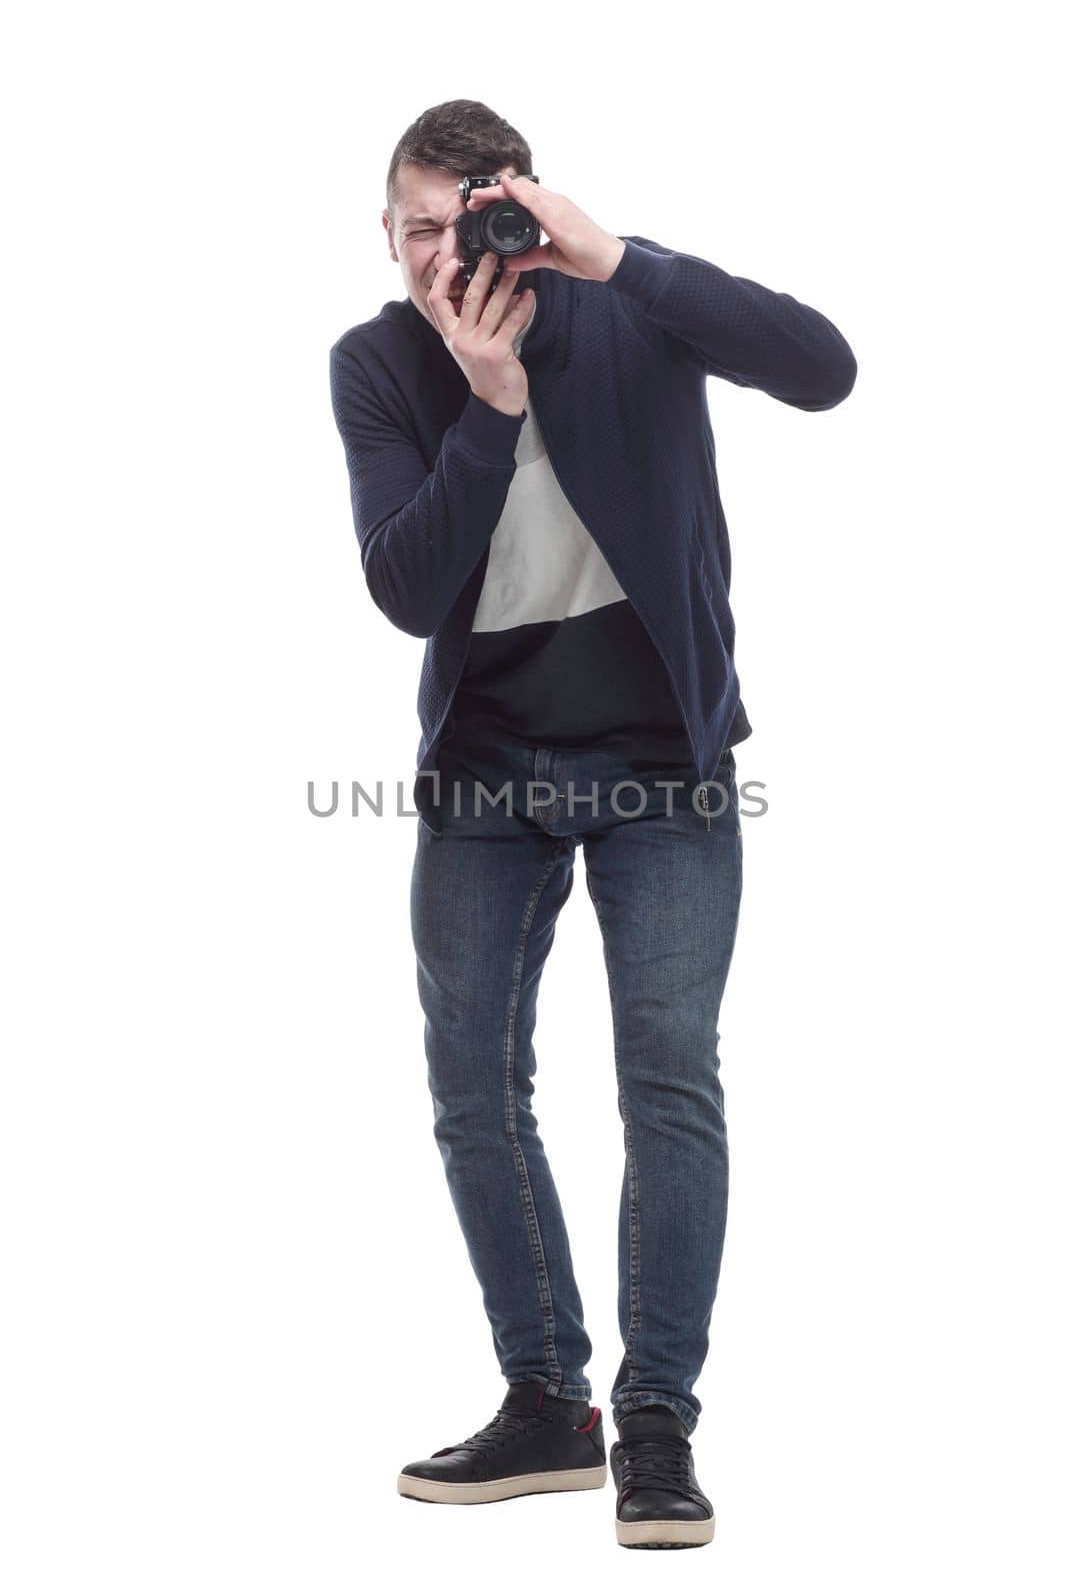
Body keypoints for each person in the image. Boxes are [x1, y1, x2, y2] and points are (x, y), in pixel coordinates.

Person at [329, 99, 856, 1550]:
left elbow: (827, 370)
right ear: (388, 239)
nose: (451, 259)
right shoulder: (379, 362)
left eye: (474, 220)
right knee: (472, 1089)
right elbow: (405, 589)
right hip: (486, 772)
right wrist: (489, 413)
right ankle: (549, 1404)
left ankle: (660, 1429)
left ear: (527, 205)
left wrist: (619, 258)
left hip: (661, 769)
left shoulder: (627, 310)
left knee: (669, 1077)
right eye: (420, 231)